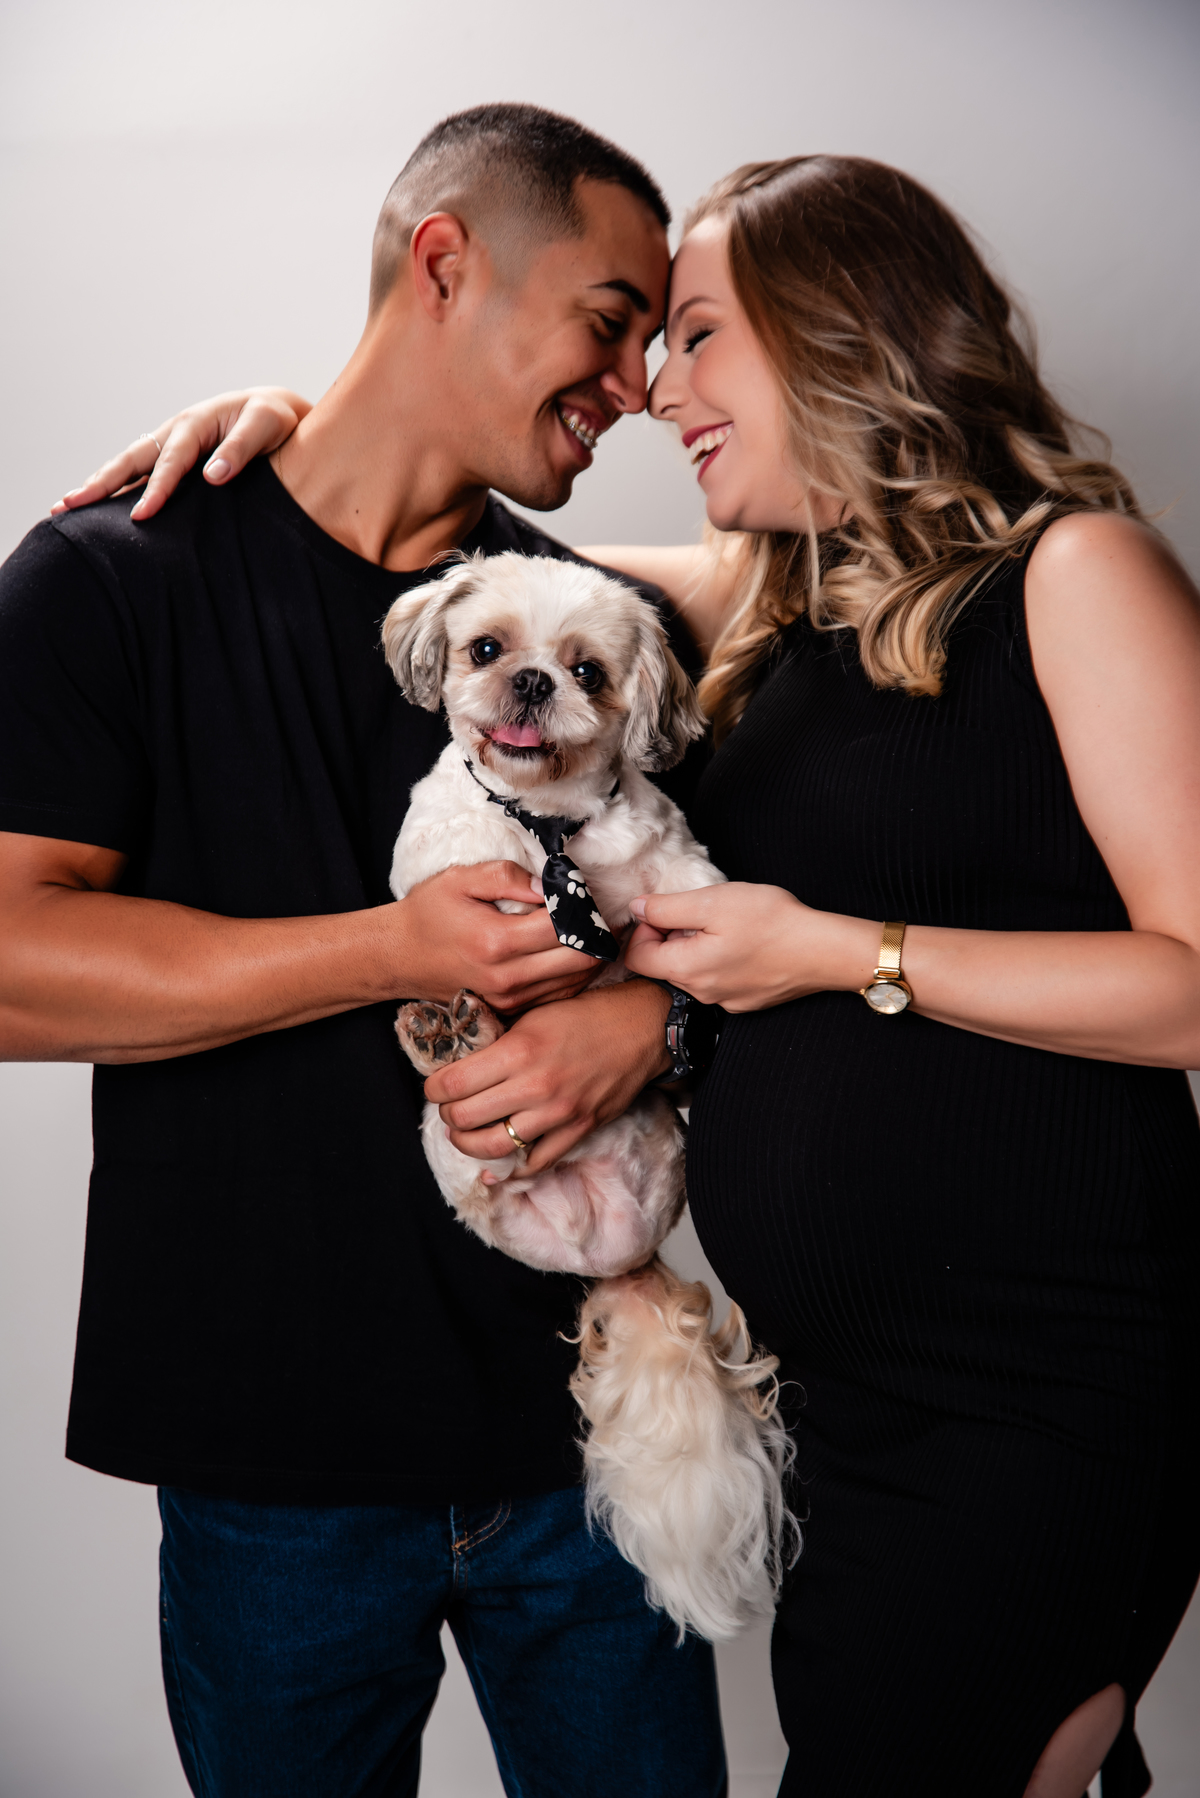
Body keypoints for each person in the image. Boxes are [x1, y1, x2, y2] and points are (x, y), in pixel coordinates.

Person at [131, 155, 1200, 1798]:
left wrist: (835, 952)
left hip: (1038, 1382)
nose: (652, 389)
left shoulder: (1075, 572)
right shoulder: (770, 601)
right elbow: (451, 564)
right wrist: (291, 432)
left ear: (841, 328)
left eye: (694, 334)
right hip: (852, 1405)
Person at [0, 105, 730, 1798]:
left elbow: (720, 944)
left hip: (588, 1436)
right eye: (612, 320)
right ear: (445, 264)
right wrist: (387, 948)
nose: (637, 384)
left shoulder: (582, 629)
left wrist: (656, 1024)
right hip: (272, 1464)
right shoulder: (112, 576)